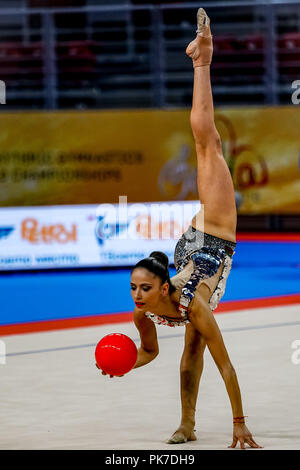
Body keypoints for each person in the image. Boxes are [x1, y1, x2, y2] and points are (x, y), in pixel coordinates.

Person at [98, 8, 262, 450]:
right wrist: (126, 362)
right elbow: (149, 350)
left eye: (142, 289)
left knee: (206, 142)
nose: (135, 296)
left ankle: (202, 59)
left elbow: (227, 367)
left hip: (214, 231)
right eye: (133, 288)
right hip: (190, 252)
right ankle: (186, 426)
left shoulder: (193, 306)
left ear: (161, 286)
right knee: (189, 353)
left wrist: (240, 423)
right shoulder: (144, 311)